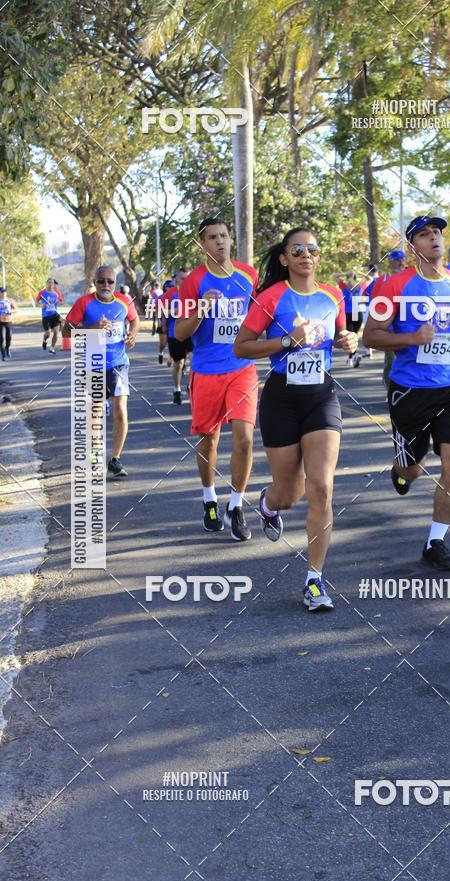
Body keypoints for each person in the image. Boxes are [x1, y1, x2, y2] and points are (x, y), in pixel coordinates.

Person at [234, 227, 358, 611]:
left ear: (319, 257)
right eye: (297, 250)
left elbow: (341, 335)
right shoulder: (271, 297)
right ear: (285, 258)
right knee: (291, 493)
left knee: (321, 487)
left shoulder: (332, 296)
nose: (306, 254)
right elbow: (242, 346)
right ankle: (269, 502)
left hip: (321, 396)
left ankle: (314, 580)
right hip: (282, 398)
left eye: (312, 249)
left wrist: (347, 341)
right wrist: (287, 340)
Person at [364, 214, 450, 571]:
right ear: (412, 245)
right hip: (410, 390)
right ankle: (401, 468)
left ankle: (435, 541)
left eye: (437, 232)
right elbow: (371, 335)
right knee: (412, 471)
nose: (434, 238)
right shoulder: (394, 286)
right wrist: (411, 338)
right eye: (424, 234)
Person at [175, 218, 258, 542]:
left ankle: (235, 506)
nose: (220, 242)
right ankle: (209, 498)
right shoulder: (194, 281)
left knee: (245, 439)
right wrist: (201, 309)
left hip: (241, 367)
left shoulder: (248, 275)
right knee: (209, 440)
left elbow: (260, 314)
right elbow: (180, 332)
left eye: (224, 235)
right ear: (203, 244)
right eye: (213, 237)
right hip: (207, 370)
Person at [63, 265, 139, 477]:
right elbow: (66, 330)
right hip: (93, 363)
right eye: (101, 281)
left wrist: (132, 333)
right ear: (95, 282)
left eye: (110, 281)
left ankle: (115, 459)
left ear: (115, 283)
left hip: (118, 363)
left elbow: (134, 319)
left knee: (120, 410)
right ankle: (95, 452)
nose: (106, 285)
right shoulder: (84, 303)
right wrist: (93, 328)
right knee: (96, 411)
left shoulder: (124, 302)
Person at [370, 249, 407, 387]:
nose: (401, 263)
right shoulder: (382, 280)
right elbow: (374, 301)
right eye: (397, 260)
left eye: (403, 259)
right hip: (389, 327)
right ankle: (390, 389)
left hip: (407, 326)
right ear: (390, 262)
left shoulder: (411, 278)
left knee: (410, 359)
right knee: (391, 360)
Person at [162, 268, 191, 404]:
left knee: (194, 360)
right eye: (182, 279)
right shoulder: (170, 294)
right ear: (176, 280)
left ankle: (192, 386)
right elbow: (163, 313)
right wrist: (174, 312)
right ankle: (177, 389)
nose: (186, 281)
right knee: (178, 363)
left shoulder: (195, 292)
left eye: (188, 278)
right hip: (175, 334)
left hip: (193, 333)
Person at [341, 271, 365, 367]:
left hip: (349, 314)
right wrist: (357, 273)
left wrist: (347, 274)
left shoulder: (344, 288)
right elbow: (369, 279)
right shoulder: (358, 288)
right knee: (353, 336)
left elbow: (334, 276)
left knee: (351, 336)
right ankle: (352, 357)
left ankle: (353, 356)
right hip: (357, 313)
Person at [36, 278, 63, 353]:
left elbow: (61, 301)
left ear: (54, 284)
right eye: (49, 282)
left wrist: (57, 302)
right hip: (46, 316)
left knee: (56, 332)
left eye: (52, 283)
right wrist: (41, 304)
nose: (51, 284)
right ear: (46, 283)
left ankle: (52, 347)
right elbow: (37, 301)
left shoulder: (57, 293)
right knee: (48, 333)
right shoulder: (42, 292)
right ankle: (44, 340)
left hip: (54, 315)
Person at [0, 287, 17, 360]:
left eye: (5, 292)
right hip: (0, 322)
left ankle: (7, 348)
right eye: (2, 292)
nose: (3, 293)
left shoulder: (10, 300)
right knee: (1, 338)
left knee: (9, 337)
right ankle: (3, 355)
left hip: (8, 321)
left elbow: (16, 309)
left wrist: (10, 311)